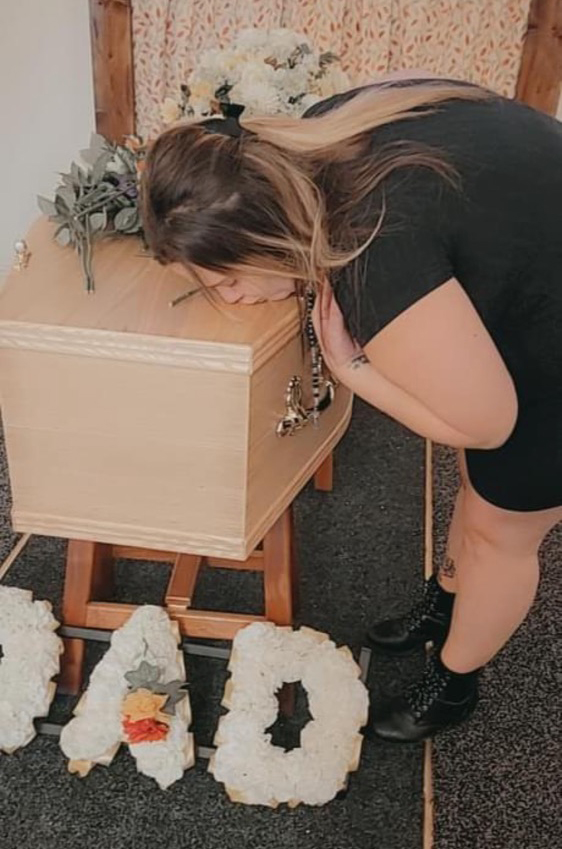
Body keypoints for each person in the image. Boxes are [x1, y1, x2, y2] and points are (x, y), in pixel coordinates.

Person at [141, 75, 562, 743]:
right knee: (478, 487)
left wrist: (353, 369)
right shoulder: (322, 131)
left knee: (504, 532)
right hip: (535, 271)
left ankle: (453, 684)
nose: (236, 299)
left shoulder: (372, 248)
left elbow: (490, 424)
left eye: (229, 279)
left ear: (266, 232)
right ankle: (447, 599)